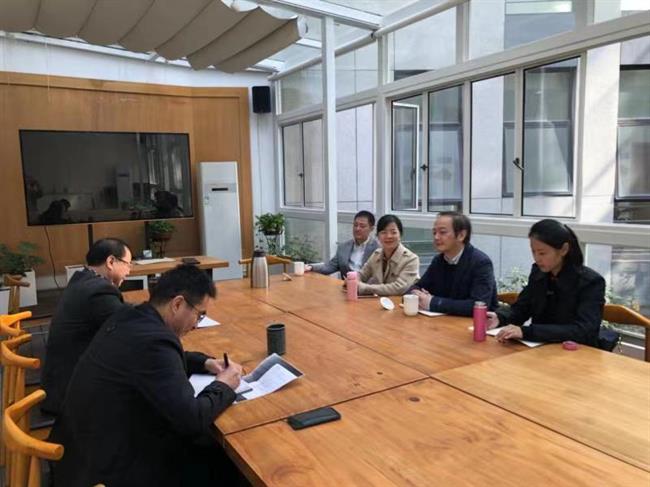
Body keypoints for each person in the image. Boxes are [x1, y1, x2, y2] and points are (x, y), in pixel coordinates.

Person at [50, 264, 243, 487]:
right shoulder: (154, 342)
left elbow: (158, 360)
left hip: (80, 451)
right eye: (199, 315)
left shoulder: (130, 316)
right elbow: (192, 419)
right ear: (177, 304)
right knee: (224, 462)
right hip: (107, 470)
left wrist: (205, 363)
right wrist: (224, 385)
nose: (196, 325)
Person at [41, 238, 133, 416]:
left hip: (59, 382)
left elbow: (120, 313)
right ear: (111, 261)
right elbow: (130, 330)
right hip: (71, 396)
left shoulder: (83, 280)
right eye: (128, 264)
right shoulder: (99, 291)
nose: (129, 271)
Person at [488, 219, 606, 346]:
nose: (537, 258)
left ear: (564, 249)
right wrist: (500, 317)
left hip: (575, 351)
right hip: (539, 347)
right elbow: (522, 308)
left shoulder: (591, 282)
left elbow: (584, 330)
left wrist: (527, 332)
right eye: (533, 252)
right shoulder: (539, 273)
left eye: (542, 253)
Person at [407, 212, 498, 316]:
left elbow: (478, 305)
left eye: (442, 232)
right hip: (443, 321)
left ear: (461, 235)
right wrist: (417, 296)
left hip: (474, 324)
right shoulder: (438, 260)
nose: (436, 237)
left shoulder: (480, 263)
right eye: (434, 232)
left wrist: (432, 302)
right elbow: (417, 287)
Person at [354, 214, 419, 296]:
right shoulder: (376, 254)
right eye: (383, 232)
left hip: (400, 302)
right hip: (379, 301)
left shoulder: (411, 259)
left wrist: (364, 287)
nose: (388, 236)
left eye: (393, 232)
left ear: (400, 235)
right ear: (378, 236)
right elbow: (363, 274)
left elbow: (398, 288)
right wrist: (353, 280)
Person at [306, 210, 379, 278]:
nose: (357, 229)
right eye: (355, 225)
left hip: (367, 286)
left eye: (362, 226)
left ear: (371, 229)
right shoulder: (343, 247)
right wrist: (311, 267)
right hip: (346, 285)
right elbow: (329, 266)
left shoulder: (378, 249)